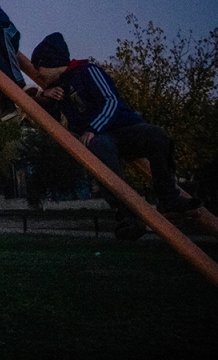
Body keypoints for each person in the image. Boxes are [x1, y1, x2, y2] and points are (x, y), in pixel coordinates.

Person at [30, 32, 203, 240]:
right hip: (102, 140)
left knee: (157, 136)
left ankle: (169, 198)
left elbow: (110, 101)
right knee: (99, 147)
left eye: (38, 69)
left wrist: (93, 127)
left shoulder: (87, 71)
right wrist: (43, 96)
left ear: (51, 63)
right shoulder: (56, 89)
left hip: (123, 129)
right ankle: (126, 215)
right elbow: (49, 121)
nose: (38, 75)